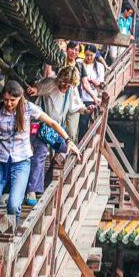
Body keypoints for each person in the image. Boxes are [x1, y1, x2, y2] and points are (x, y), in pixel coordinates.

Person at [0, 81, 77, 268]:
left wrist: (68, 140)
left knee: (14, 204)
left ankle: (14, 238)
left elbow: (52, 122)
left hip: (21, 162)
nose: (9, 103)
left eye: (13, 100)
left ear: (20, 97)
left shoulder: (29, 109)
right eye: (6, 99)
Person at [25, 66, 86, 204]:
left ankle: (48, 182)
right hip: (42, 126)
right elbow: (39, 88)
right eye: (64, 82)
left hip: (56, 129)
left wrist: (87, 110)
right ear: (60, 79)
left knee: (65, 150)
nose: (65, 86)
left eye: (69, 84)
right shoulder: (52, 83)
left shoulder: (70, 90)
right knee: (40, 153)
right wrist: (34, 90)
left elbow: (75, 107)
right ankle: (32, 191)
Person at [78, 44, 105, 139]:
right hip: (79, 97)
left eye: (91, 55)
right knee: (81, 124)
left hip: (92, 98)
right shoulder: (79, 63)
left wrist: (94, 82)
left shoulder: (100, 67)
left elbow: (101, 84)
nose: (89, 57)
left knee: (86, 123)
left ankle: (83, 146)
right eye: (87, 55)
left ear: (95, 54)